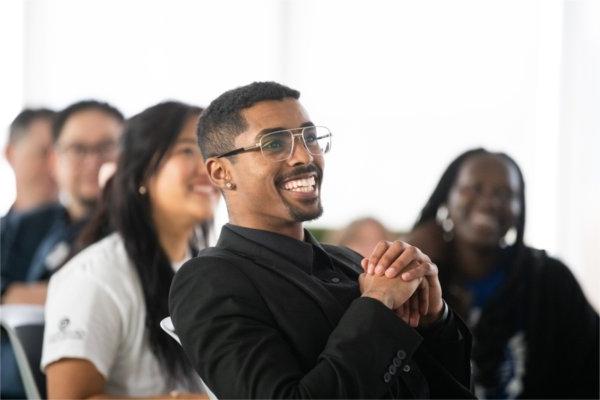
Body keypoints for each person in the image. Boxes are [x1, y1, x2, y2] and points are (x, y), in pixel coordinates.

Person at [169, 82, 474, 398]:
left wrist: (435, 319)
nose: (304, 156)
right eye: (274, 144)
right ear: (220, 173)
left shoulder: (350, 261)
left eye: (310, 137)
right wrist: (378, 305)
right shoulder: (208, 282)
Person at [42, 101, 217, 398]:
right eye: (187, 150)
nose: (209, 167)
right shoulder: (95, 277)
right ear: (141, 173)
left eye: (211, 151)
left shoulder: (206, 268)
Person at [406, 148, 599, 399]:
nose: (489, 201)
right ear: (446, 198)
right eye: (474, 188)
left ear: (520, 209)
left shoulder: (549, 280)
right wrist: (410, 258)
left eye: (505, 193)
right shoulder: (417, 279)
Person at [0, 100, 124, 399]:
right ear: (56, 160)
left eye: (107, 147)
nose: (94, 162)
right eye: (78, 149)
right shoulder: (36, 224)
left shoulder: (136, 235)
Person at [3, 108, 58, 213]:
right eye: (43, 153)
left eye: (60, 155)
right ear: (10, 154)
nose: (55, 166)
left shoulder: (90, 227)